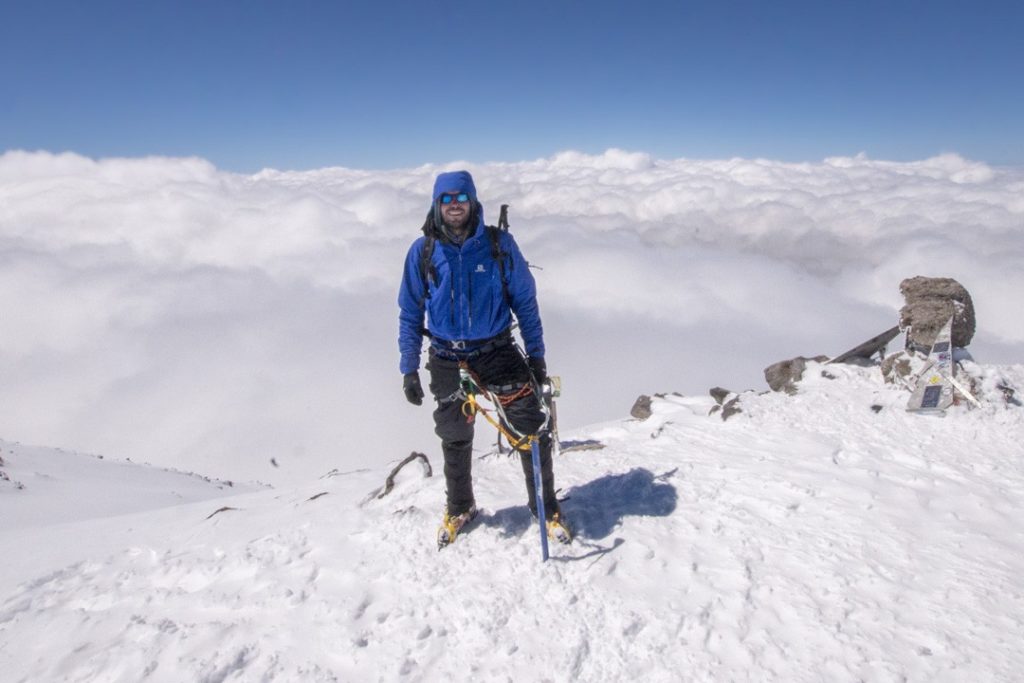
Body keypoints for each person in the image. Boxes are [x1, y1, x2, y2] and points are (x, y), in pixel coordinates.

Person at [397, 170, 570, 546]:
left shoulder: (499, 244)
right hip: (445, 355)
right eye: (446, 198)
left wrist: (537, 355)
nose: (454, 204)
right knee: (454, 435)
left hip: (497, 350)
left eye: (461, 197)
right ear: (436, 204)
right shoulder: (423, 250)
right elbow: (410, 311)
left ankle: (546, 508)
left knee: (531, 428)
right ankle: (460, 507)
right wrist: (408, 367)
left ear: (473, 200)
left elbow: (525, 301)